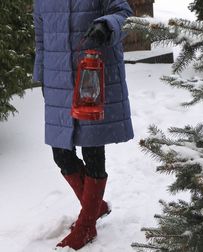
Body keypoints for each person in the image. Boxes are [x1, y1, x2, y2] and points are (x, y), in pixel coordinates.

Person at [33, 0, 134, 250]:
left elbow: (124, 14)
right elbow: (41, 38)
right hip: (58, 81)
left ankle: (87, 225)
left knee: (92, 150)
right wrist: (43, 77)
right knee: (61, 154)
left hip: (92, 76)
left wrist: (106, 25)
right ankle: (95, 206)